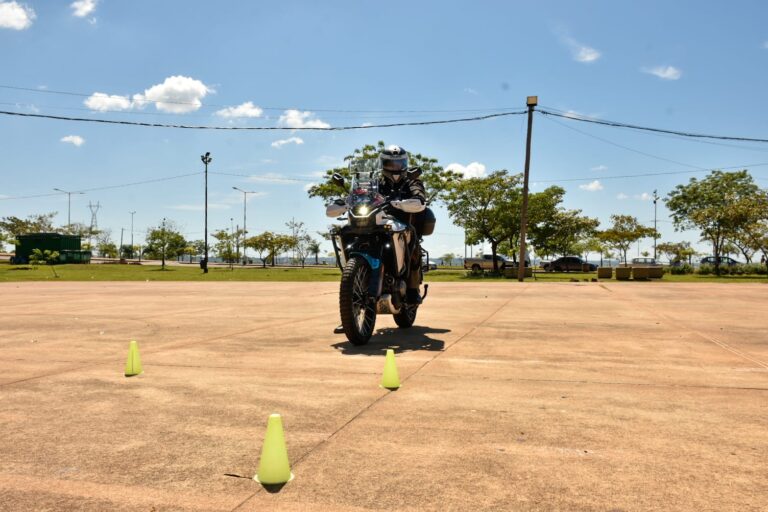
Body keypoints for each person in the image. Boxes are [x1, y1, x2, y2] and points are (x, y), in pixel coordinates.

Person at [377, 145, 427, 304]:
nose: (395, 168)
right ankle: (350, 302)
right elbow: (362, 194)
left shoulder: (411, 181)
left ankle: (412, 289)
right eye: (391, 164)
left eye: (399, 164)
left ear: (405, 164)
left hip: (404, 223)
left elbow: (418, 193)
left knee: (413, 246)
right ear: (384, 165)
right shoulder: (377, 183)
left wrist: (417, 199)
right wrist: (350, 198)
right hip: (379, 223)